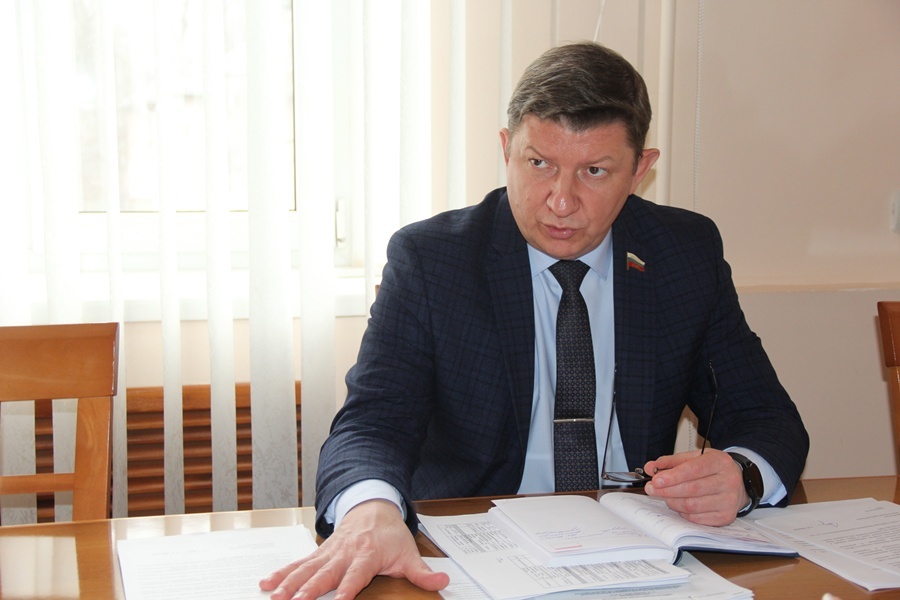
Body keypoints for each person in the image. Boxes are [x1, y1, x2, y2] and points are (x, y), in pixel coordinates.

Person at [260, 41, 808, 600]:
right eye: (539, 163)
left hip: (643, 558)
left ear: (640, 170)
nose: (560, 201)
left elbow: (766, 416)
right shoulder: (433, 260)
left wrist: (743, 475)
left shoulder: (682, 253)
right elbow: (372, 424)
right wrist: (371, 510)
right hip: (472, 558)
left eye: (594, 171)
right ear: (507, 150)